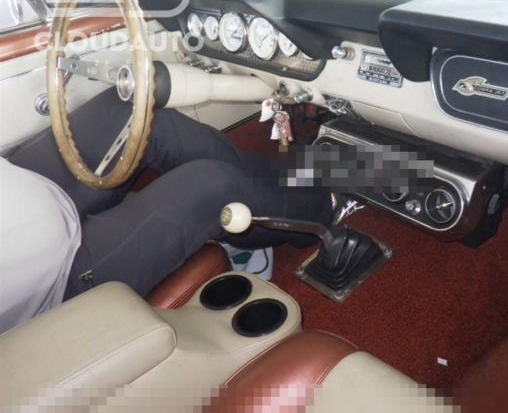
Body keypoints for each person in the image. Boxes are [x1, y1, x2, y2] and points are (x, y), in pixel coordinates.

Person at [0, 87, 332, 333]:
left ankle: (272, 185)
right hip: (57, 280)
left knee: (136, 113)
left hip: (25, 182)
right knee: (212, 185)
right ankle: (325, 209)